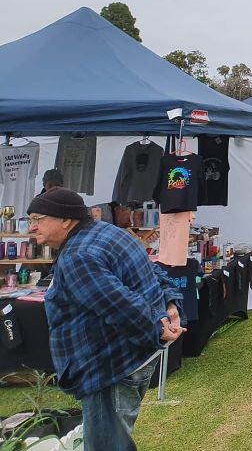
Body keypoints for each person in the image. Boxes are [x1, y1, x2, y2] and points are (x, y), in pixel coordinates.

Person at [28, 188, 185, 451]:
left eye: (37, 219)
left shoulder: (78, 256)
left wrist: (154, 329)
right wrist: (169, 303)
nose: (31, 227)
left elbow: (122, 307)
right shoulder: (108, 232)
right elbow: (154, 271)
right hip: (130, 361)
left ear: (65, 220)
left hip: (110, 368)